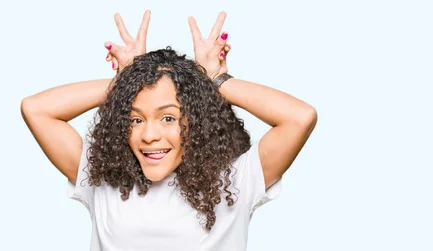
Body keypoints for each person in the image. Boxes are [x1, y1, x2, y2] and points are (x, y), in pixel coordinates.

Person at [21, 10, 317, 251]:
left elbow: (300, 118)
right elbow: (36, 109)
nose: (149, 135)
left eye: (168, 118)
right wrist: (126, 80)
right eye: (136, 120)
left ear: (196, 120)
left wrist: (216, 79)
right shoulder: (102, 182)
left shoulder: (234, 183)